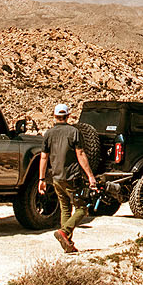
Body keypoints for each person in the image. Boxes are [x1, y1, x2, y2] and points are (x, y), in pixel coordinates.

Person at [36, 102, 97, 253]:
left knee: (65, 208)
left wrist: (41, 180)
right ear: (68, 116)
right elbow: (81, 154)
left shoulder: (48, 134)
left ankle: (67, 244)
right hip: (72, 178)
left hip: (56, 178)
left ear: (55, 116)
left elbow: (43, 158)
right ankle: (64, 232)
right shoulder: (73, 132)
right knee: (82, 209)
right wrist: (90, 176)